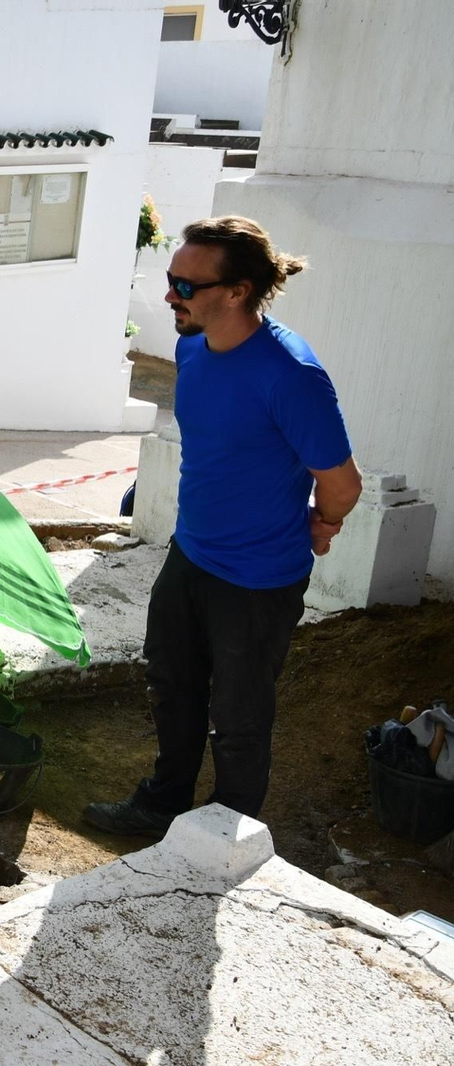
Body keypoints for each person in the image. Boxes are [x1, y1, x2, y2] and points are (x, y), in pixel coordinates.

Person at [84, 216, 361, 837]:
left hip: (259, 581)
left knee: (238, 715)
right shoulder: (191, 346)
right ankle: (162, 805)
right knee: (172, 685)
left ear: (236, 292)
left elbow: (342, 484)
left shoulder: (291, 376)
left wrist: (323, 522)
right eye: (170, 280)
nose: (169, 297)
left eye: (185, 285)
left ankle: (223, 835)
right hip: (192, 556)